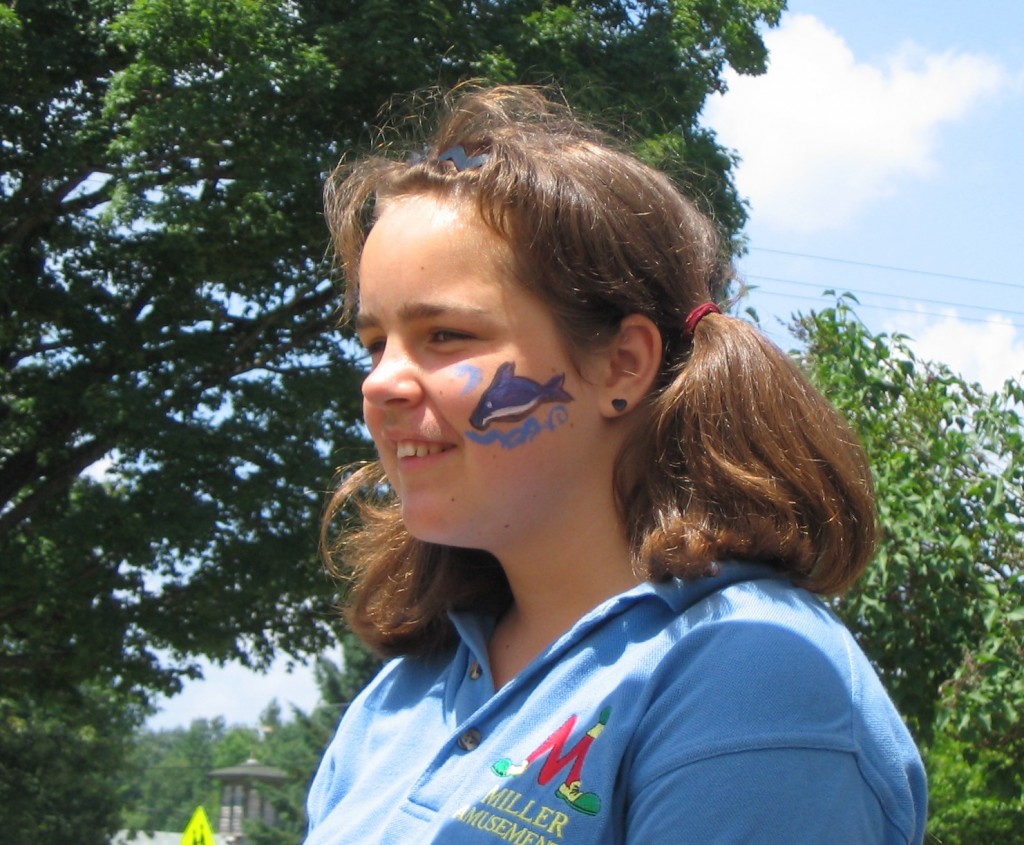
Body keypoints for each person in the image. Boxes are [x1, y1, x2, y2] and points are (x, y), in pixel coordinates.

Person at [305, 85, 927, 844]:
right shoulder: (399, 702)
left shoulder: (753, 680)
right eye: (375, 344)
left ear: (624, 365)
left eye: (446, 336)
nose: (380, 383)